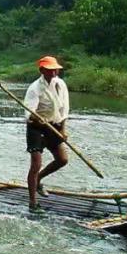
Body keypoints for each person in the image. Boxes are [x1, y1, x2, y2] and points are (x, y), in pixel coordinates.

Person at [25, 55, 71, 210]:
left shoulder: (60, 84)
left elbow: (64, 110)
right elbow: (29, 114)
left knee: (62, 159)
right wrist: (38, 120)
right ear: (42, 70)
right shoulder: (34, 88)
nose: (54, 73)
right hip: (36, 127)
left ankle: (38, 179)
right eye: (50, 70)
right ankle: (33, 202)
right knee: (36, 164)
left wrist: (63, 130)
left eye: (55, 70)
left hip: (54, 125)